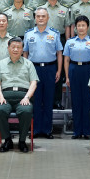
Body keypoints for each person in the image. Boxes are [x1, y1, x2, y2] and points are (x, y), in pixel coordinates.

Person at [23, 8, 63, 139]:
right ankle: (34, 129)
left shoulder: (55, 34)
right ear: (35, 18)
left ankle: (46, 129)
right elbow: (25, 53)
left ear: (48, 17)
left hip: (50, 69)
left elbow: (59, 53)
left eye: (43, 16)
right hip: (33, 69)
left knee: (48, 100)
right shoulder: (29, 34)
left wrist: (58, 70)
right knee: (35, 100)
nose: (41, 18)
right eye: (38, 16)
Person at [0, 37, 38, 153]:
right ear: (8, 48)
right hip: (5, 97)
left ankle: (22, 141)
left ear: (22, 49)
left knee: (26, 111)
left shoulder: (29, 64)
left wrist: (27, 97)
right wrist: (0, 97)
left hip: (23, 96)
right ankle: (7, 140)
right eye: (13, 47)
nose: (15, 49)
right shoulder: (1, 64)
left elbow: (33, 82)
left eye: (18, 47)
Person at [64, 15, 90, 139]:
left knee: (87, 100)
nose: (81, 28)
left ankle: (86, 130)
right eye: (79, 25)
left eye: (83, 25)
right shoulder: (70, 42)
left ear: (88, 27)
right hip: (74, 69)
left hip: (88, 69)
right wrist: (67, 77)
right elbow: (66, 60)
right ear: (75, 27)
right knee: (76, 101)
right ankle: (77, 131)